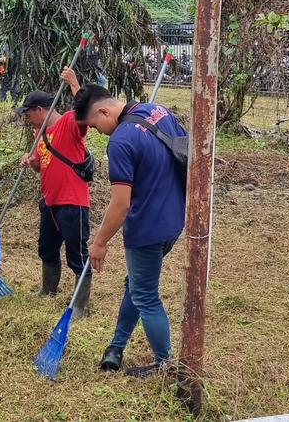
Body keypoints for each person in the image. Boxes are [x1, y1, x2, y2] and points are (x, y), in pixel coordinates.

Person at [74, 84, 187, 378]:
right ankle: (117, 345)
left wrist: (99, 242)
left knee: (145, 295)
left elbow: (121, 204)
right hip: (174, 220)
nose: (98, 132)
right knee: (136, 286)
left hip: (147, 229)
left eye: (94, 126)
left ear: (103, 111)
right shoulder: (156, 110)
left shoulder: (121, 141)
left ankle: (166, 365)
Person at [18, 68, 93, 317]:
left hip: (73, 202)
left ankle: (80, 304)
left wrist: (74, 82)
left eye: (29, 114)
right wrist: (32, 161)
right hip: (49, 202)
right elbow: (42, 166)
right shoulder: (41, 135)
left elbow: (87, 111)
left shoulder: (69, 122)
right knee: (47, 248)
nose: (28, 119)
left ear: (40, 110)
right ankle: (49, 288)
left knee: (77, 254)